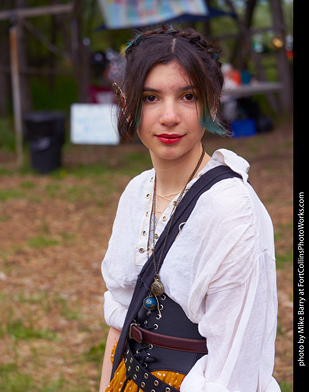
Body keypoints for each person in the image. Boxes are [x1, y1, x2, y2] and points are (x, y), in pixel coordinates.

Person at [100, 25, 280, 392]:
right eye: (151, 98)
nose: (169, 116)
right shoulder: (136, 192)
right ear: (128, 102)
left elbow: (236, 368)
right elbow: (119, 320)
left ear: (211, 103)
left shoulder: (231, 209)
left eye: (187, 96)